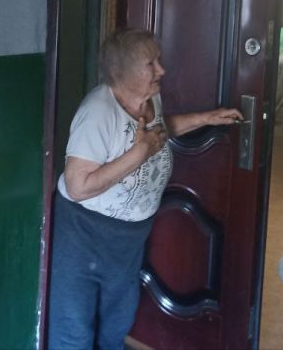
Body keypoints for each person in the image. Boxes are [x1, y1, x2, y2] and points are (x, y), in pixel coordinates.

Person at [47, 28, 242, 349]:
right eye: (150, 64)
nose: (161, 70)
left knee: (117, 322)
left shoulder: (150, 99)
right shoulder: (98, 112)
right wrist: (140, 153)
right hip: (84, 235)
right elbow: (77, 186)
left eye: (159, 60)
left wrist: (206, 118)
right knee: (73, 328)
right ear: (119, 71)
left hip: (129, 238)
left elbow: (161, 132)